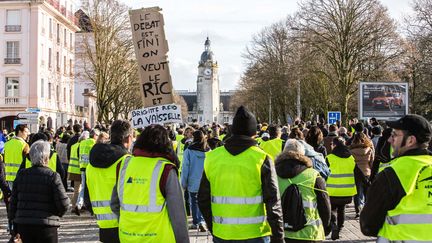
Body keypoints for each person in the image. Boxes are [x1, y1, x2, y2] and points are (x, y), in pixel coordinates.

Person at [198, 106, 284, 243]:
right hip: (256, 234)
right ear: (253, 132)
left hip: (222, 233)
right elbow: (273, 202)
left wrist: (213, 226)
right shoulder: (262, 158)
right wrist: (278, 237)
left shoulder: (212, 157)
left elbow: (202, 199)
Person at [110, 124, 189, 242]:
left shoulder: (124, 164)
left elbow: (114, 203)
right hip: (158, 238)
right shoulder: (165, 169)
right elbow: (178, 216)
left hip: (127, 236)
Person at [361, 114, 432, 242]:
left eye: (394, 135)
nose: (389, 140)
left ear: (410, 140)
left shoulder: (392, 174)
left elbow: (368, 225)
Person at [8, 140, 70, 243]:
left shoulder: (21, 175)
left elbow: (13, 203)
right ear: (46, 157)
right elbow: (64, 203)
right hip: (47, 226)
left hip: (24, 225)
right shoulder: (53, 176)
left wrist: (13, 223)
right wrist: (56, 214)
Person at [85, 120, 133, 243]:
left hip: (103, 225)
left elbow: (87, 196)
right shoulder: (127, 162)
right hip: (125, 222)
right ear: (128, 139)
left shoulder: (91, 164)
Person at [276, 139, 331, 243]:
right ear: (303, 154)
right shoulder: (313, 175)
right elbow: (324, 204)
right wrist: (326, 225)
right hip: (310, 234)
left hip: (282, 233)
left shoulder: (273, 175)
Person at [326, 137, 357, 240]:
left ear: (334, 145)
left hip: (332, 190)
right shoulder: (351, 158)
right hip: (347, 190)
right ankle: (339, 228)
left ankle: (333, 224)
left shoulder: (329, 158)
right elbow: (357, 172)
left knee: (332, 209)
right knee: (341, 209)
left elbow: (324, 173)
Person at [180, 130, 210, 232]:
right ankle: (202, 221)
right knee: (204, 201)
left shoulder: (189, 151)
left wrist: (183, 183)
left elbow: (185, 168)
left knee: (194, 201)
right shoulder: (209, 151)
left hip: (193, 181)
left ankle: (196, 222)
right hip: (206, 181)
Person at [349, 132, 374, 218]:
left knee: (357, 193)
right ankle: (368, 210)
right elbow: (372, 162)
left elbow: (351, 163)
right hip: (367, 172)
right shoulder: (369, 149)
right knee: (367, 193)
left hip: (356, 172)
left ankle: (358, 210)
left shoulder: (351, 151)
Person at [3, 124, 30, 189]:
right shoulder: (24, 145)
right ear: (20, 132)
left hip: (8, 177)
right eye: (25, 132)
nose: (27, 134)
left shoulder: (6, 144)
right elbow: (28, 162)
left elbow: (3, 159)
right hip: (21, 177)